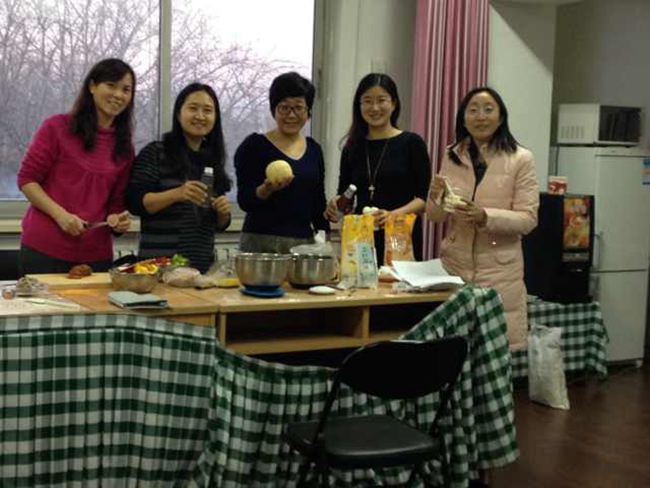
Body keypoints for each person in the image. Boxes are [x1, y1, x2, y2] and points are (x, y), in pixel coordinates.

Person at [426, 86, 539, 353]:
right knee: (453, 352)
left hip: (499, 269)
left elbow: (528, 219)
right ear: (463, 119)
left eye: (488, 109)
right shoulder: (452, 154)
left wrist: (485, 216)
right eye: (473, 110)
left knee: (492, 352)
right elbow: (434, 216)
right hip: (455, 265)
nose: (480, 116)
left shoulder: (521, 159)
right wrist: (435, 196)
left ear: (501, 118)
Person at [17, 58, 135, 275]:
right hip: (44, 249)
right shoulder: (56, 127)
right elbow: (27, 180)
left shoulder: (125, 147)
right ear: (92, 86)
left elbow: (116, 202)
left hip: (96, 257)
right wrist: (61, 215)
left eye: (126, 90)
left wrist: (118, 221)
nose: (119, 95)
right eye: (111, 85)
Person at [325, 73, 431, 265]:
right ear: (359, 106)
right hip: (361, 238)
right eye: (367, 101)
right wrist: (336, 204)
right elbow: (345, 194)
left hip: (400, 236)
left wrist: (392, 215)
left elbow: (424, 199)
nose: (374, 108)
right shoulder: (352, 147)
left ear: (394, 104)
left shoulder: (412, 143)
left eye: (381, 100)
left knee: (398, 282)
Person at [126, 83, 231, 273]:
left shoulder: (213, 159)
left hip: (200, 269)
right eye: (193, 108)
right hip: (157, 269)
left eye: (208, 110)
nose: (200, 116)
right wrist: (177, 194)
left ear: (215, 118)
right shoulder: (156, 152)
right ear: (178, 113)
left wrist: (223, 214)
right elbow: (135, 203)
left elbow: (217, 224)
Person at [235, 71, 330, 253]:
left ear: (308, 112)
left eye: (298, 107)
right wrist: (266, 189)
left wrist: (325, 240)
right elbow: (244, 201)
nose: (291, 115)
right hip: (260, 243)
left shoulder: (314, 150)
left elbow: (318, 202)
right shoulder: (254, 145)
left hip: (303, 244)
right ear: (274, 110)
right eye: (284, 107)